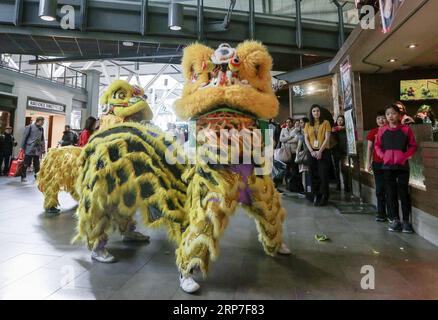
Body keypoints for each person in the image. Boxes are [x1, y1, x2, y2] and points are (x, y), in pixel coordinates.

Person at [375, 104, 417, 233]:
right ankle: (395, 220)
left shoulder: (406, 129)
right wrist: (383, 156)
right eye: (388, 114)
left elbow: (412, 146)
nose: (390, 116)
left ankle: (406, 221)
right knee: (391, 193)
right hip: (387, 167)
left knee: (403, 193)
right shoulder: (382, 130)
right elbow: (377, 146)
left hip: (402, 166)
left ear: (398, 115)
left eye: (393, 113)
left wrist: (404, 157)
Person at [304, 104, 332, 206]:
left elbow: (327, 138)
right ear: (311, 113)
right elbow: (306, 139)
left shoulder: (325, 123)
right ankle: (316, 195)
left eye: (318, 111)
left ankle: (324, 195)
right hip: (311, 151)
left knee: (323, 175)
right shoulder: (307, 125)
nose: (316, 113)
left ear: (320, 112)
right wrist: (311, 151)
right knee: (313, 174)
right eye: (314, 111)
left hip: (323, 151)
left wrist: (320, 151)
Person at [366, 110, 389, 222]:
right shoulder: (373, 132)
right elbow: (369, 148)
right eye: (378, 118)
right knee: (379, 189)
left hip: (390, 163)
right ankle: (381, 213)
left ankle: (392, 214)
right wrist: (368, 162)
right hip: (377, 163)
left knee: (390, 188)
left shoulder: (392, 130)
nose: (381, 120)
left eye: (383, 118)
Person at [279, 118, 301, 192]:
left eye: (289, 122)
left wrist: (287, 141)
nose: (288, 123)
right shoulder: (283, 130)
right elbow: (281, 139)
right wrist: (290, 137)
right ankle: (288, 185)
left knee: (295, 169)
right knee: (286, 169)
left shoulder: (295, 130)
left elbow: (296, 140)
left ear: (292, 123)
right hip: (286, 152)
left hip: (294, 152)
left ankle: (294, 185)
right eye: (286, 122)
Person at [21, 117, 45, 182]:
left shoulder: (41, 129)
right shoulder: (30, 127)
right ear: (38, 121)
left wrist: (43, 149)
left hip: (37, 149)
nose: (43, 123)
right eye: (42, 122)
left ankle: (37, 177)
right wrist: (22, 148)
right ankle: (23, 177)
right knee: (26, 163)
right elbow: (24, 137)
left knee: (37, 164)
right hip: (29, 148)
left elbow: (42, 139)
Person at [331, 115, 350, 192]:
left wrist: (344, 128)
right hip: (335, 151)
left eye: (341, 120)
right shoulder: (334, 129)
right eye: (338, 120)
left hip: (344, 151)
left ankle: (346, 185)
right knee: (336, 169)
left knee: (344, 169)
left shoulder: (346, 129)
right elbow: (331, 130)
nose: (340, 121)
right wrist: (338, 128)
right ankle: (338, 185)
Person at [296, 117, 311, 198]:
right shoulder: (309, 130)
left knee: (305, 173)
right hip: (311, 154)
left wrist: (297, 155)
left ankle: (306, 190)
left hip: (304, 155)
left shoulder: (303, 133)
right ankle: (309, 190)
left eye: (302, 122)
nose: (300, 124)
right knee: (307, 173)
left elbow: (298, 146)